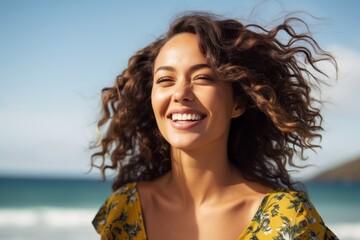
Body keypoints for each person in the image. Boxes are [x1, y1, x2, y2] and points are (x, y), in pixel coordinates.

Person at [91, 12, 338, 240]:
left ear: (238, 102)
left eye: (203, 78)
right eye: (165, 80)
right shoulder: (122, 211)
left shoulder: (289, 219)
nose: (180, 94)